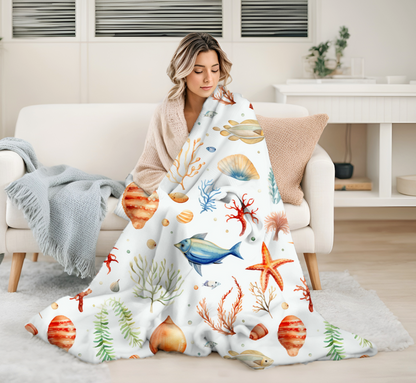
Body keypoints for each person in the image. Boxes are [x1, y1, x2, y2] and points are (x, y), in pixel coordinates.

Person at [132, 32, 233, 195]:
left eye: (214, 70)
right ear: (183, 72)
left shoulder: (232, 112)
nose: (209, 79)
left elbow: (244, 168)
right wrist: (180, 189)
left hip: (219, 197)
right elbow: (146, 170)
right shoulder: (164, 114)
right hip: (176, 197)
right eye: (199, 71)